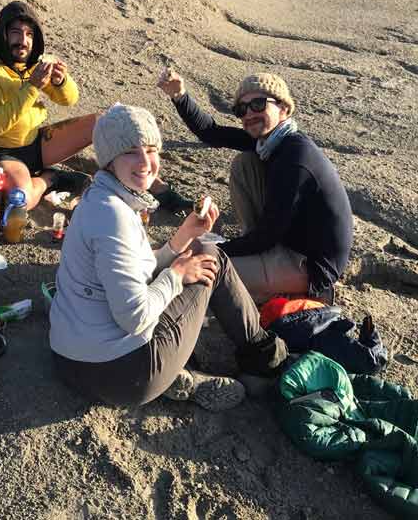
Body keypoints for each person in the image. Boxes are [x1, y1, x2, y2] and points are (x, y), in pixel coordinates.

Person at [49, 104, 288, 410]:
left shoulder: (101, 199)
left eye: (151, 150)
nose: (146, 162)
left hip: (69, 361)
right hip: (122, 375)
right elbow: (134, 316)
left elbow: (137, 271)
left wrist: (184, 236)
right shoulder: (114, 216)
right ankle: (267, 359)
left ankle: (183, 373)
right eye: (130, 152)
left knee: (198, 247)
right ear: (109, 161)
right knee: (211, 257)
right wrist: (176, 276)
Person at [159, 71, 353, 304]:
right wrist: (179, 95)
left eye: (258, 104)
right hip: (283, 240)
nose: (249, 113)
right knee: (245, 163)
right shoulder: (271, 141)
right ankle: (257, 267)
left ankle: (301, 292)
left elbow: (267, 236)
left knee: (205, 265)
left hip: (309, 265)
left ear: (283, 108)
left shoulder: (295, 158)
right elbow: (211, 133)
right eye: (242, 109)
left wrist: (219, 248)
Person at [0, 1, 97, 209]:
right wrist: (33, 86)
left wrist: (60, 82)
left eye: (29, 35)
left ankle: (133, 186)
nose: (23, 41)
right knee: (20, 199)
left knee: (105, 122)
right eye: (16, 33)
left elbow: (68, 100)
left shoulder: (32, 63)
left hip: (35, 143)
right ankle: (49, 179)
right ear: (3, 34)